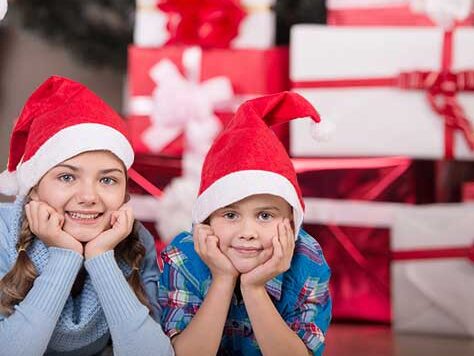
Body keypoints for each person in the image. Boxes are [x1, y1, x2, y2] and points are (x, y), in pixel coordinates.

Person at [0, 76, 174, 356]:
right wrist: (65, 255)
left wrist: (101, 257)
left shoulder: (134, 239)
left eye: (107, 180)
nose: (89, 196)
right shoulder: (2, 231)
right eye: (67, 177)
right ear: (33, 190)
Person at [158, 92, 332, 355]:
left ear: (291, 222)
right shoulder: (184, 256)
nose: (247, 233)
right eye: (230, 215)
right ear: (206, 221)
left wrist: (254, 288)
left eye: (265, 216)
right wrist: (222, 279)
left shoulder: (307, 259)